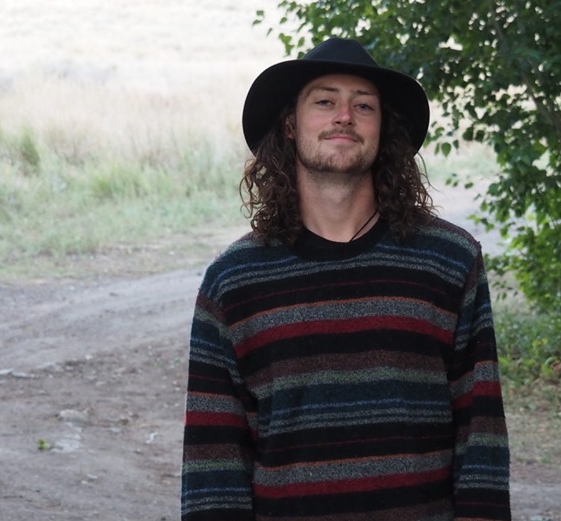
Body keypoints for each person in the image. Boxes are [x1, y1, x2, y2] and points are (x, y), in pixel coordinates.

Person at [181, 37, 512, 521]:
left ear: (383, 129)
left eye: (363, 105)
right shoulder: (234, 281)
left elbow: (481, 432)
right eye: (324, 101)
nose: (344, 117)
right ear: (291, 124)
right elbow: (213, 464)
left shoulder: (448, 260)